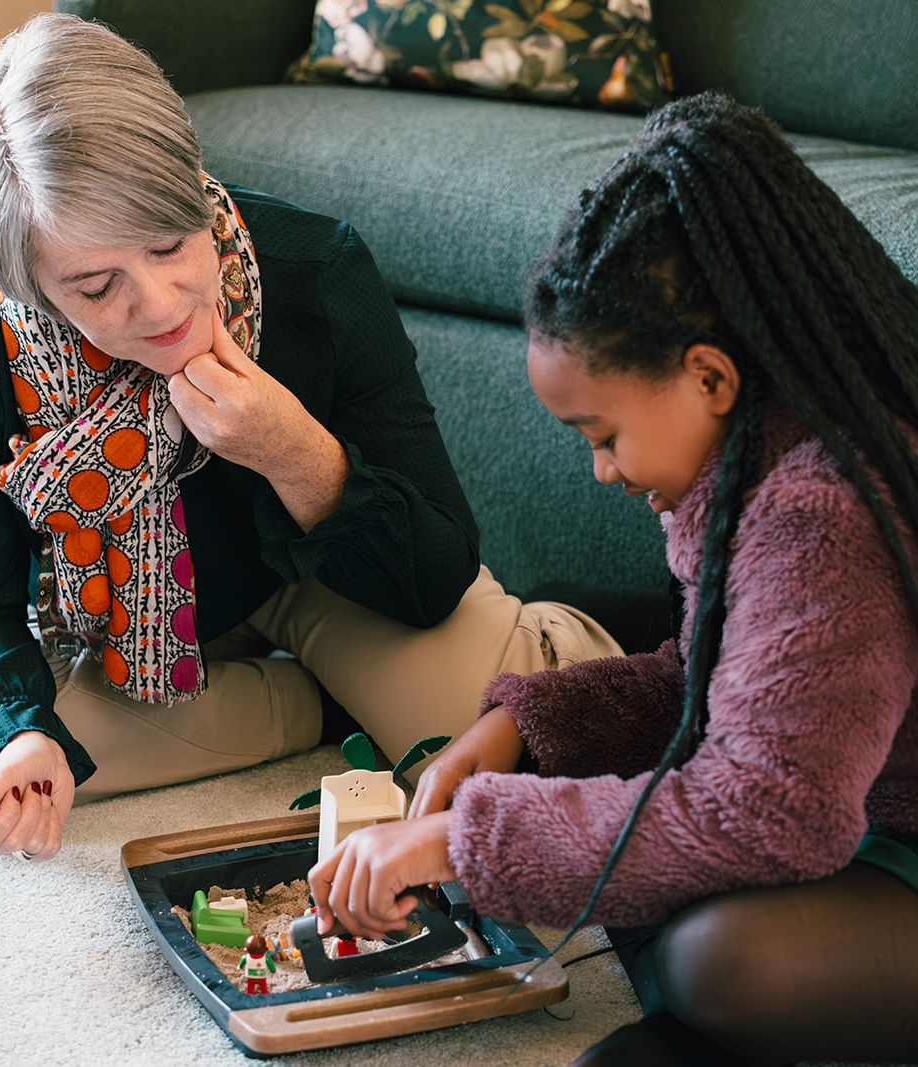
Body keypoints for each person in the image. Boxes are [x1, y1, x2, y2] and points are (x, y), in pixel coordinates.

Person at [0, 14, 619, 866]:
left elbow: (434, 570)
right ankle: (315, 707)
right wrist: (24, 734)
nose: (163, 302)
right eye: (98, 286)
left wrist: (293, 451)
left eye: (170, 241)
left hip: (327, 580)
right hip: (124, 630)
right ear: (26, 286)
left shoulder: (315, 272)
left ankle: (534, 639)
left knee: (510, 737)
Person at [309, 92, 918, 1065]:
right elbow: (726, 686)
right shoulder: (763, 451)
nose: (600, 468)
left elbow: (767, 811)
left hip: (863, 825)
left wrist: (462, 841)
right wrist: (522, 722)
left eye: (603, 434)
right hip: (849, 802)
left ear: (709, 378)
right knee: (639, 859)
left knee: (714, 959)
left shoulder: (820, 509)